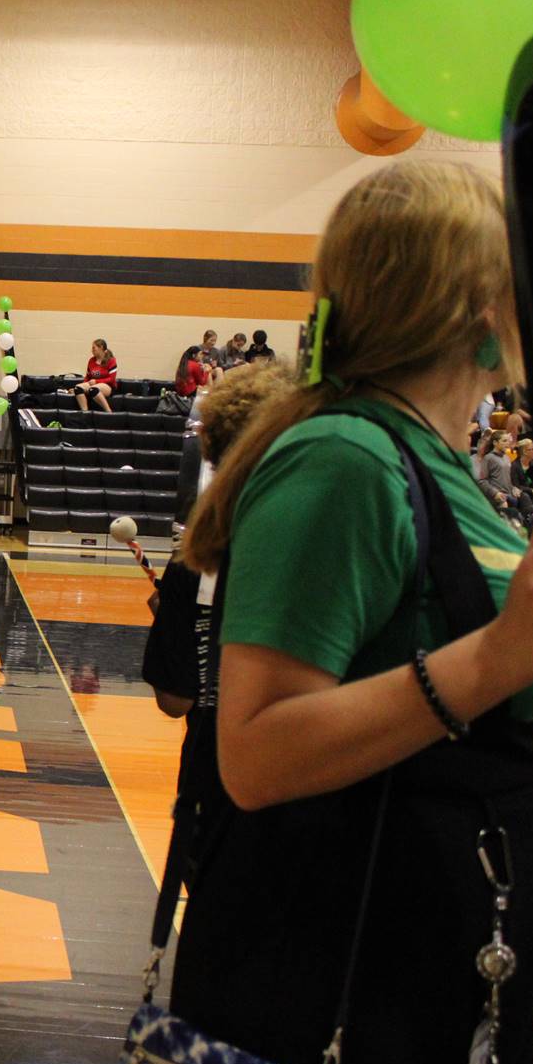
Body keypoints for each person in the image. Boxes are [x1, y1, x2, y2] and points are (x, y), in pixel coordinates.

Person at [171, 161, 533, 1064]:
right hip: (346, 993)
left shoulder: (445, 465)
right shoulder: (346, 457)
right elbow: (256, 753)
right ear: (477, 305)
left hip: (434, 970)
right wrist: (500, 653)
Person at [139, 362, 294, 889]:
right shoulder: (330, 542)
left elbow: (174, 699)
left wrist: (178, 626)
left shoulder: (195, 560)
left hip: (218, 778)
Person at [76, 338, 118, 412]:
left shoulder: (111, 360)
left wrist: (96, 381)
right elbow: (88, 377)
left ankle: (109, 412)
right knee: (78, 388)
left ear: (101, 347)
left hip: (108, 386)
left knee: (93, 389)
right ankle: (85, 413)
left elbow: (112, 379)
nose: (92, 350)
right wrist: (83, 385)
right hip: (94, 384)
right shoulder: (91, 360)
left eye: (93, 348)